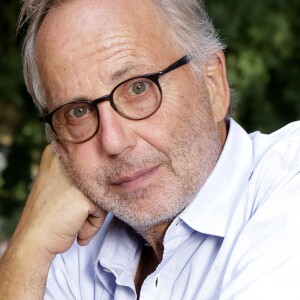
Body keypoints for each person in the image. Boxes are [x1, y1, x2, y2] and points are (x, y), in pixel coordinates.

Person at [1, 0, 300, 299]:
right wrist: (27, 250)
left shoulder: (290, 181)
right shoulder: (65, 242)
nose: (114, 141)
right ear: (58, 145)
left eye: (138, 88)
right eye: (78, 111)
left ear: (212, 85)